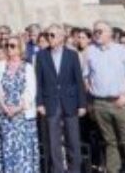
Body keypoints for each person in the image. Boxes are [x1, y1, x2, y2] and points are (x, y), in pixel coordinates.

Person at [85, 20, 125, 173]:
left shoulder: (121, 50)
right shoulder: (90, 51)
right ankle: (113, 170)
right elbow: (85, 76)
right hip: (100, 103)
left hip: (120, 102)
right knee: (109, 141)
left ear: (110, 34)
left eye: (100, 31)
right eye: (95, 31)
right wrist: (90, 92)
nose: (96, 34)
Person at [36, 23, 87, 173]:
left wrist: (82, 104)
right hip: (50, 102)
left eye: (52, 35)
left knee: (73, 140)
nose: (49, 38)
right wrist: (39, 103)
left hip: (70, 102)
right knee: (53, 141)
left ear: (61, 37)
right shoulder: (41, 55)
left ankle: (74, 170)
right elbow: (39, 81)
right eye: (47, 35)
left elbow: (78, 80)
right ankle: (56, 170)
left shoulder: (72, 55)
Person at [0, 37, 38, 173]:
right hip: (5, 115)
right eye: (7, 45)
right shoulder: (1, 65)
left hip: (22, 116)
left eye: (12, 46)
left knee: (22, 150)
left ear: (20, 48)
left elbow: (31, 91)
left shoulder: (27, 67)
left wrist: (18, 108)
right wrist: (3, 105)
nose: (9, 48)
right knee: (7, 148)